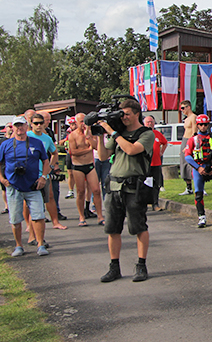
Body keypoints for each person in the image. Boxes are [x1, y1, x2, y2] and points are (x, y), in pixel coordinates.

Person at [97, 99, 155, 283]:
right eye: (121, 114)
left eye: (127, 114)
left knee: (138, 227)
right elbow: (103, 156)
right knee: (112, 229)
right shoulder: (118, 134)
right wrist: (100, 136)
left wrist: (112, 132)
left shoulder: (146, 134)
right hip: (114, 186)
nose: (124, 117)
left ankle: (141, 265)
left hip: (134, 187)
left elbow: (131, 150)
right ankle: (114, 267)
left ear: (137, 113)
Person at [0, 116, 51, 257]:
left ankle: (40, 244)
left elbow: (46, 161)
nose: (19, 128)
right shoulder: (6, 144)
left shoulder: (36, 143)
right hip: (13, 187)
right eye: (16, 126)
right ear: (12, 128)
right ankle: (18, 245)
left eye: (22, 125)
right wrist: (2, 179)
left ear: (27, 127)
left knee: (38, 216)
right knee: (15, 219)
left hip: (33, 186)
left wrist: (43, 177)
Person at [28, 113, 67, 232]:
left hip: (43, 172)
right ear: (31, 124)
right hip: (29, 173)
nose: (39, 125)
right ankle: (29, 226)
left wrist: (50, 166)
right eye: (36, 123)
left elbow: (54, 153)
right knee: (28, 200)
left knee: (50, 196)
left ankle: (55, 221)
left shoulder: (47, 138)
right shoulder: (27, 136)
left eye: (41, 123)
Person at [68, 113, 105, 226]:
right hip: (78, 166)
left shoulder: (90, 133)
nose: (83, 124)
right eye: (81, 121)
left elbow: (95, 147)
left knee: (96, 190)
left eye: (85, 121)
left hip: (89, 165)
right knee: (80, 192)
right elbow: (73, 152)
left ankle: (100, 216)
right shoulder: (73, 136)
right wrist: (88, 150)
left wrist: (88, 136)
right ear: (77, 122)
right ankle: (81, 216)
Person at [143, 116, 168, 211]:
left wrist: (161, 152)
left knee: (156, 185)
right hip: (145, 164)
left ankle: (155, 204)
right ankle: (143, 204)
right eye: (148, 122)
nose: (150, 124)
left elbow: (165, 143)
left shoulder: (157, 134)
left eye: (152, 122)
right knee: (143, 185)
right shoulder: (142, 134)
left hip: (156, 163)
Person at [179, 100, 197, 196]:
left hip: (190, 141)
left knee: (192, 164)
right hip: (185, 139)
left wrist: (188, 146)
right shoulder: (186, 119)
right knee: (184, 164)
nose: (182, 110)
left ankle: (199, 186)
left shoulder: (193, 117)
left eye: (183, 108)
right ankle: (188, 187)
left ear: (188, 107)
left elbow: (194, 132)